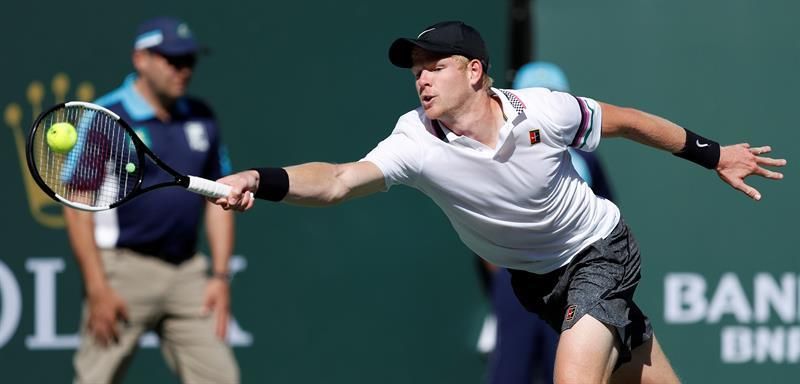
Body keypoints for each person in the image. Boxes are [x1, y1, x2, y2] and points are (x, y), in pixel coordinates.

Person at [212, 21, 786, 383]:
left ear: (475, 71)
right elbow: (337, 180)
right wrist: (261, 179)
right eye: (417, 71)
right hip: (533, 281)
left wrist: (715, 155)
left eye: (435, 67)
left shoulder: (545, 110)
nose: (423, 80)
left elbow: (630, 123)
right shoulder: (413, 139)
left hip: (599, 254)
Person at [64, 16, 239, 384]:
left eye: (189, 60)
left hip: (187, 272)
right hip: (122, 271)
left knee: (222, 378)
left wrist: (220, 276)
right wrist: (97, 287)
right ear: (140, 59)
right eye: (172, 60)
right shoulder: (107, 116)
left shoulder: (203, 117)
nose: (184, 70)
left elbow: (218, 197)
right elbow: (77, 206)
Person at [481, 61, 616, 384]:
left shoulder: (586, 157)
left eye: (554, 97)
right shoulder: (498, 152)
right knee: (512, 371)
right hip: (518, 278)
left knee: (573, 371)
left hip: (575, 281)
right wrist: (504, 270)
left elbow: (605, 211)